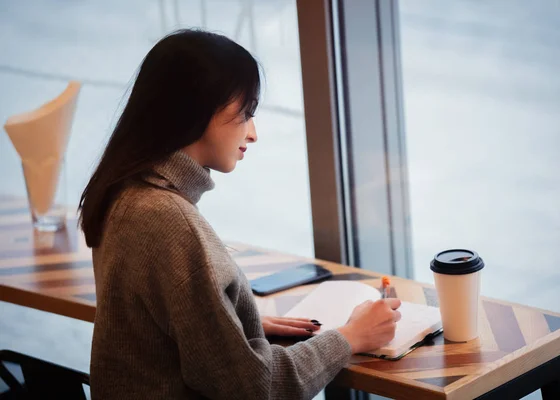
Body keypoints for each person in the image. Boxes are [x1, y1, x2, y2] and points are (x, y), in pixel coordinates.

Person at [78, 29, 402, 400]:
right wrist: (350, 337)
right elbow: (253, 389)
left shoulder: (127, 191)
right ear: (196, 109)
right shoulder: (164, 218)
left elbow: (149, 332)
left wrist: (227, 330)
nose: (253, 133)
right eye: (246, 113)